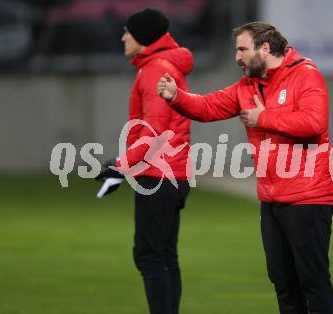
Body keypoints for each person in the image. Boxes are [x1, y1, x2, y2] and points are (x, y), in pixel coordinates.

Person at [158, 22, 333, 314]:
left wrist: (264, 118)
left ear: (265, 48)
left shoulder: (305, 74)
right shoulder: (248, 85)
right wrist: (177, 97)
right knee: (282, 281)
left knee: (312, 280)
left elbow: (314, 124)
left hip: (308, 197)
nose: (237, 57)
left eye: (242, 49)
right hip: (272, 198)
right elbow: (208, 106)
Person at [97, 8, 194, 314]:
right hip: (172, 173)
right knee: (165, 255)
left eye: (128, 31)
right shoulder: (163, 66)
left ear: (143, 36)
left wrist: (121, 167)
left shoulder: (154, 69)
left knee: (150, 256)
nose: (123, 36)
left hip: (158, 176)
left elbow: (154, 132)